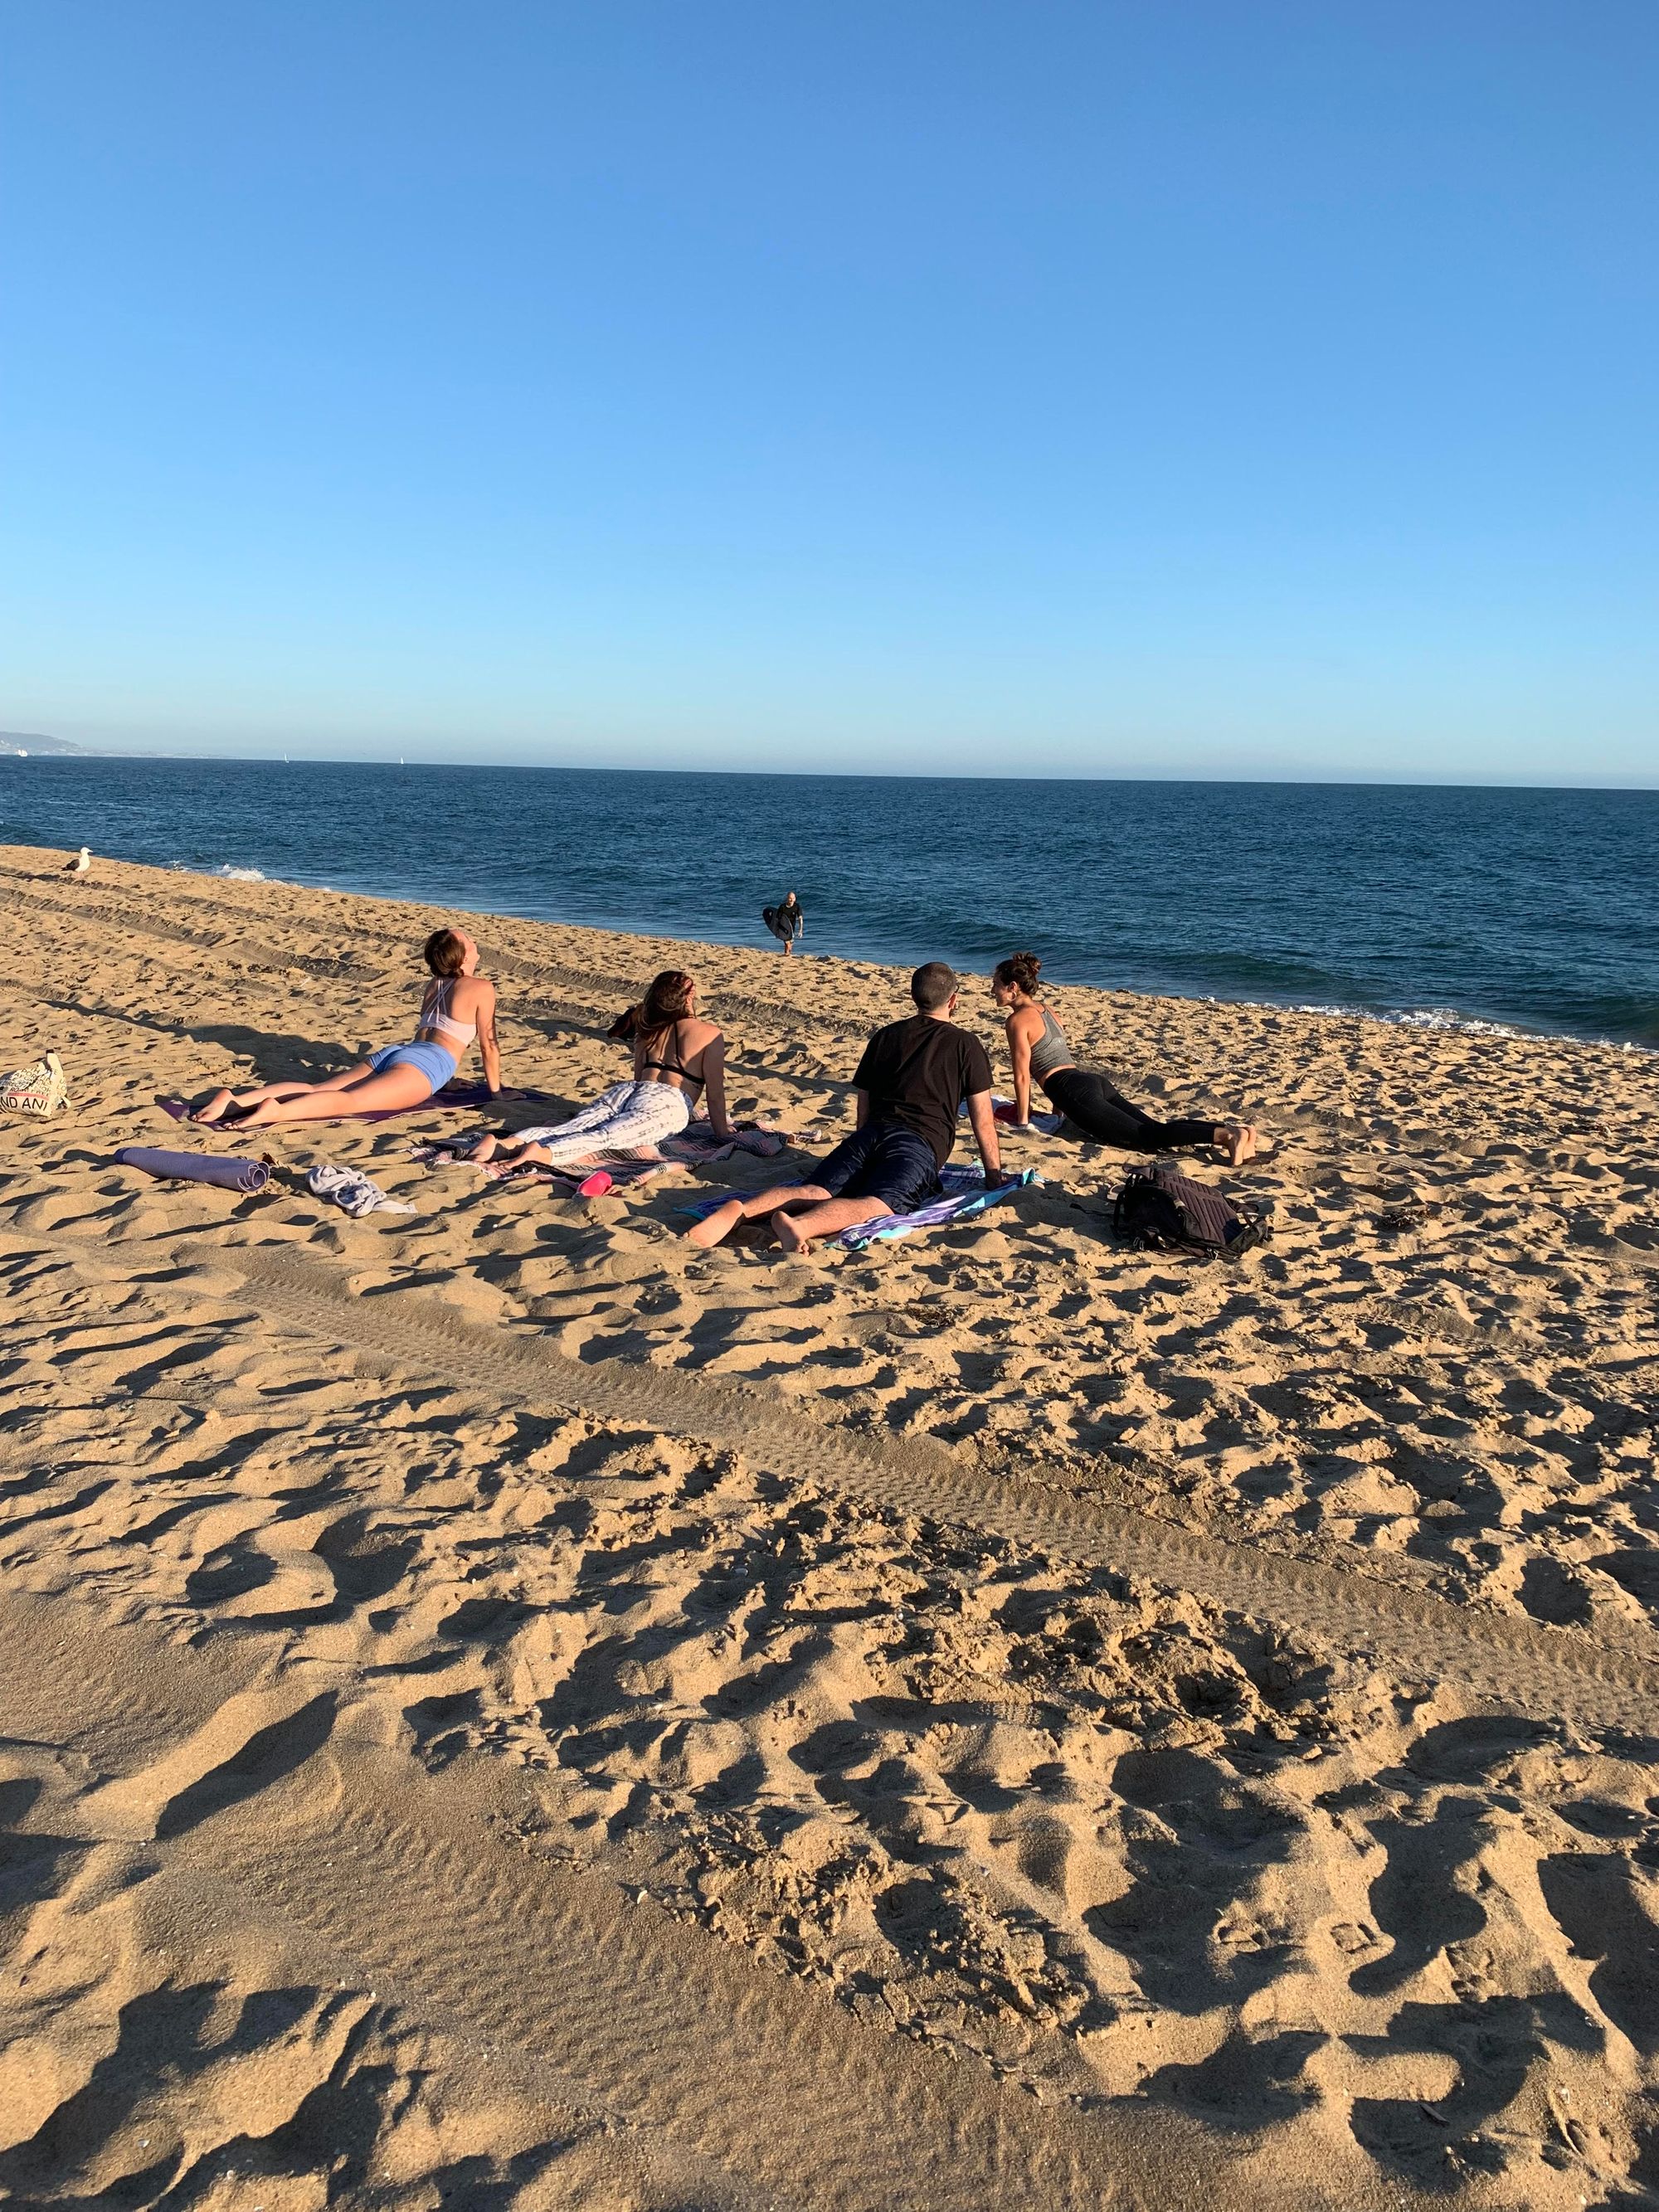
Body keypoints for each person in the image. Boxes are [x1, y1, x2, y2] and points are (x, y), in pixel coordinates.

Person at [687, 960, 1005, 1255]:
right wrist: (993, 1175)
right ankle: (800, 1226)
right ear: (953, 1000)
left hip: (871, 1134)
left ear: (913, 996)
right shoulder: (966, 1044)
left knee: (816, 1188)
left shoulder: (886, 1035)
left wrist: (862, 1140)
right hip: (918, 1142)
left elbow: (863, 1098)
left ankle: (742, 1211)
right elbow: (982, 1118)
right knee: (879, 1203)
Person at [191, 927, 501, 1127]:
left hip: (399, 1053)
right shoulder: (480, 987)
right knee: (352, 1102)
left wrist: (444, 1081)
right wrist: (496, 1093)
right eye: (469, 939)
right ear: (462, 955)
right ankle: (278, 1112)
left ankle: (236, 1101)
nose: (474, 942)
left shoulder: (436, 984)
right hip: (426, 1063)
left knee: (319, 1088)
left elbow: (430, 1032)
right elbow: (489, 1046)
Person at [991, 951, 1259, 1164]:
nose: (993, 991)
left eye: (996, 985)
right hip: (1089, 1081)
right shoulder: (1047, 1010)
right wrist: (1058, 1113)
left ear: (1013, 987)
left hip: (1072, 1090)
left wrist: (1024, 1123)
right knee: (1154, 1127)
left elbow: (1024, 1075)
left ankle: (1227, 1135)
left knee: (1146, 1137)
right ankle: (1238, 1130)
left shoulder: (1017, 1021)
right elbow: (1056, 1057)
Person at [470, 970, 732, 1169]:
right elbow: (715, 1095)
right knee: (605, 1137)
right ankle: (543, 1154)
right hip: (669, 1102)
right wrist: (722, 1134)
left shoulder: (647, 1028)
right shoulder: (708, 1034)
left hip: (632, 1091)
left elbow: (640, 1076)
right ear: (690, 996)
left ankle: (504, 1145)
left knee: (577, 1125)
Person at [762, 890, 805, 955]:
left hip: (791, 928)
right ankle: (787, 955)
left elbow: (800, 918)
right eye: (790, 898)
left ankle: (787, 954)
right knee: (787, 943)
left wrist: (800, 930)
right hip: (782, 927)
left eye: (793, 898)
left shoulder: (797, 906)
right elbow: (776, 919)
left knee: (789, 944)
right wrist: (776, 931)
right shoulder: (782, 907)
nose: (791, 900)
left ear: (795, 899)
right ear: (787, 898)